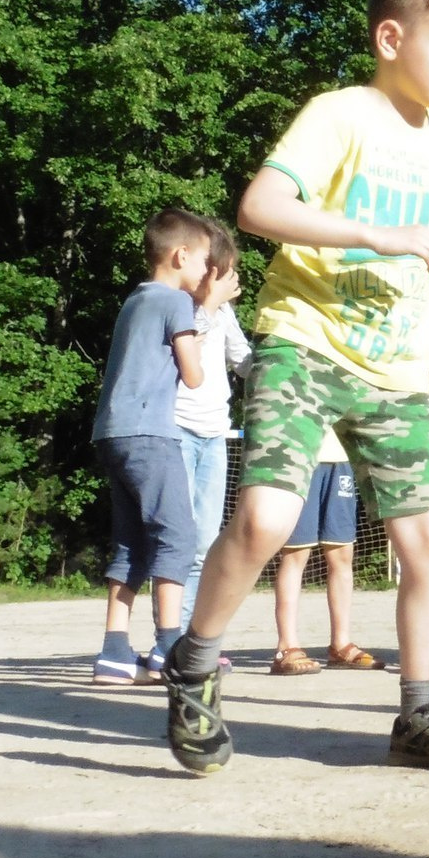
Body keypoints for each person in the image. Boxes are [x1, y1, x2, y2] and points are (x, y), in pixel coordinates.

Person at [159, 0, 429, 776]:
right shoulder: (341, 115)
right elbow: (260, 208)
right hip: (307, 341)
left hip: (396, 371)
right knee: (265, 519)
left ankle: (419, 713)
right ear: (391, 38)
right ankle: (194, 664)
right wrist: (382, 236)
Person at [90, 210, 210, 684]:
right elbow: (195, 377)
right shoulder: (176, 301)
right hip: (150, 435)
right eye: (203, 261)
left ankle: (115, 652)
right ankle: (167, 647)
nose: (204, 272)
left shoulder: (135, 300)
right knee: (176, 535)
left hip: (112, 434)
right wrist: (205, 316)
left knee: (130, 543)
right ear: (181, 255)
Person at [175, 218, 251, 607]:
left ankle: (187, 642)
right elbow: (181, 345)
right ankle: (168, 641)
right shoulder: (176, 304)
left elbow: (244, 361)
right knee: (178, 543)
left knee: (205, 545)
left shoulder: (223, 313)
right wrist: (209, 303)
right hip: (178, 433)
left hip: (215, 434)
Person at [267, 431, 377, 675]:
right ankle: (287, 646)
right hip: (300, 456)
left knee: (342, 554)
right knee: (295, 554)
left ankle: (341, 644)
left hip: (341, 458)